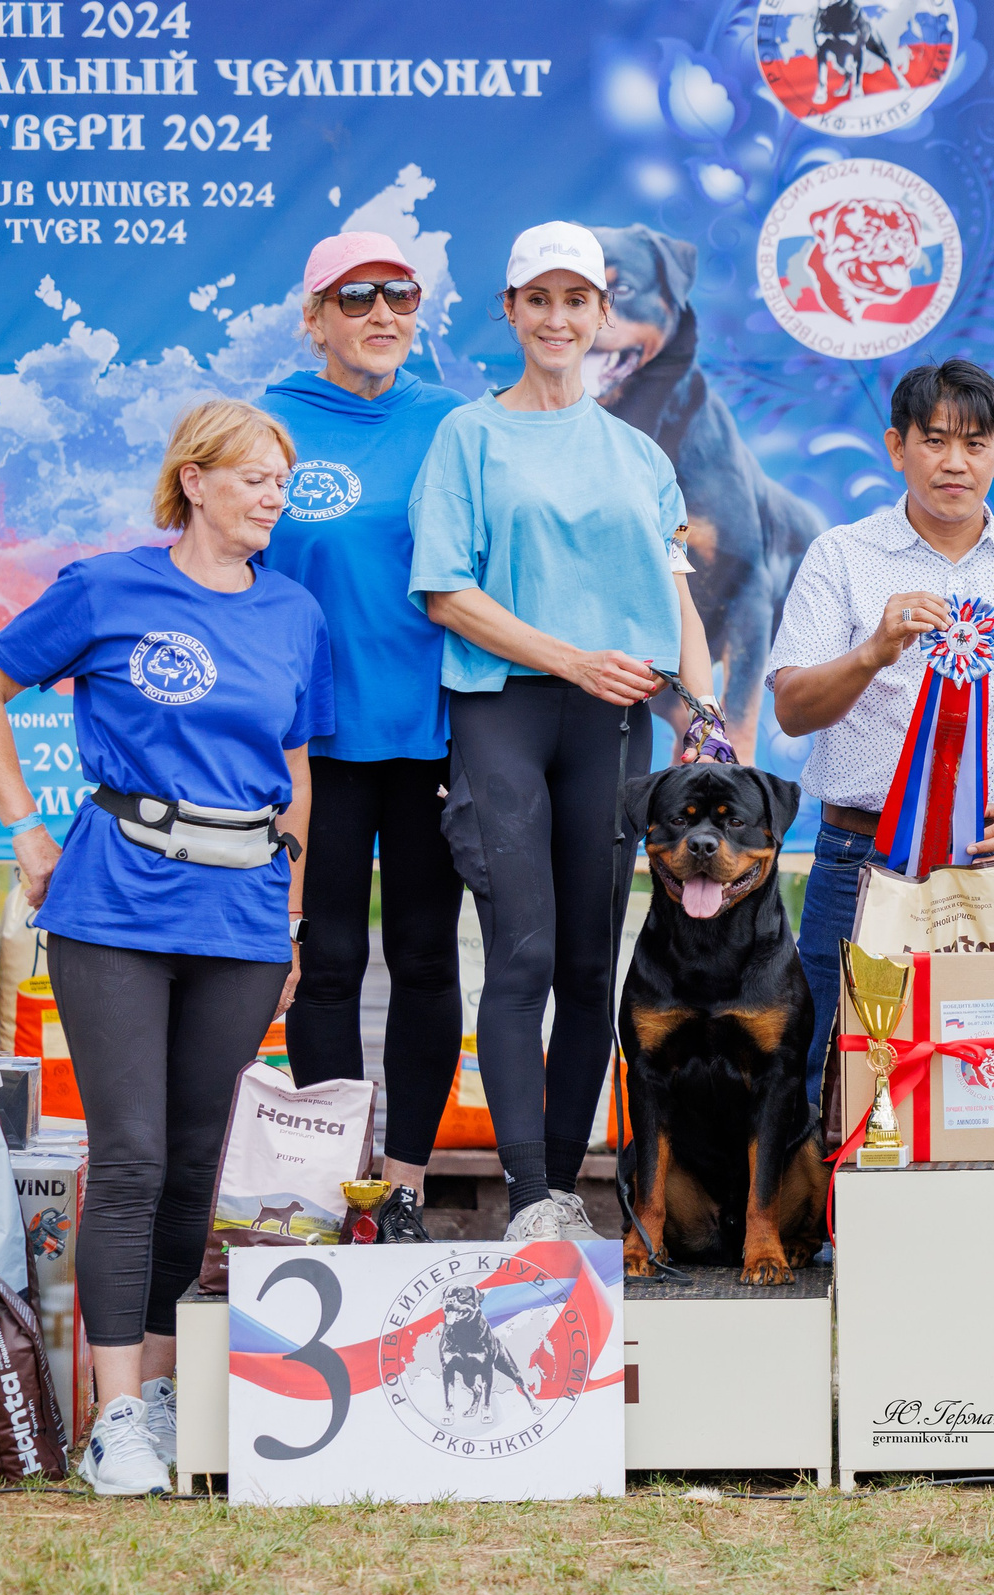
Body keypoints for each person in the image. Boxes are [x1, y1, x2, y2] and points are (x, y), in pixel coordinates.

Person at [0, 399, 331, 1495]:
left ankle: (163, 1390)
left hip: (244, 916)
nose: (271, 495)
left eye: (282, 481)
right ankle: (115, 1420)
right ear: (194, 481)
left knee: (194, 1170)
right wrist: (25, 824)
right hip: (116, 902)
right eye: (252, 476)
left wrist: (290, 907)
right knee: (130, 1157)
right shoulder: (111, 588)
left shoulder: (296, 612)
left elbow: (296, 763)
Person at [409, 221, 716, 1243]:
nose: (557, 318)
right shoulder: (469, 435)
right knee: (523, 956)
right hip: (505, 710)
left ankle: (565, 1203)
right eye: (536, 299)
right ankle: (527, 1193)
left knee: (592, 964)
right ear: (510, 312)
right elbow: (446, 591)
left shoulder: (639, 456)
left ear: (598, 315)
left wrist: (704, 716)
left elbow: (677, 604)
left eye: (575, 300)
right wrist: (569, 657)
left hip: (615, 725)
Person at [767, 359, 994, 1095]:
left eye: (976, 444)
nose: (955, 462)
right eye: (936, 440)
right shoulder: (842, 557)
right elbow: (790, 707)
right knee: (838, 1080)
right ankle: (838, 1214)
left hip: (991, 866)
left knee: (987, 1084)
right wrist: (873, 653)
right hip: (860, 856)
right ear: (896, 446)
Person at [260, 232, 464, 1234]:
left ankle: (408, 1186)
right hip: (314, 744)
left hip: (431, 734)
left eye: (398, 296)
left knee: (426, 956)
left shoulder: (457, 423)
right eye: (355, 299)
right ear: (316, 316)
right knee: (327, 957)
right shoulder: (269, 425)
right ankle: (342, 1184)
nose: (381, 314)